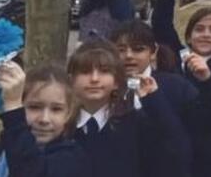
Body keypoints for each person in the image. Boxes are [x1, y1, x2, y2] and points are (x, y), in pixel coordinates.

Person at [110, 20, 211, 176]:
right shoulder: (102, 89)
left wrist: (208, 81)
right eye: (121, 50)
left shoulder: (176, 86)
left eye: (138, 49)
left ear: (153, 52)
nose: (128, 56)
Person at [68, 40, 189, 177]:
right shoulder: (60, 128)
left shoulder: (136, 124)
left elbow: (176, 152)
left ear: (117, 81)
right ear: (71, 80)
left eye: (104, 71)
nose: (94, 79)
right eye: (85, 71)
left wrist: (154, 101)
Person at [0, 62, 88, 177]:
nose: (45, 119)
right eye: (34, 107)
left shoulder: (71, 158)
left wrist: (14, 108)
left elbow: (28, 169)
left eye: (56, 109)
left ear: (69, 113)